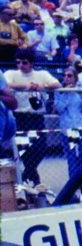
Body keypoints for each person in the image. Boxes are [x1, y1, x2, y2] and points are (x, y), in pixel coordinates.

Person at [3, 49, 59, 184]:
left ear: (32, 63)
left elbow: (57, 84)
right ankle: (30, 178)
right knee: (21, 147)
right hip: (20, 115)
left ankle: (28, 173)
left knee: (40, 147)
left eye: (24, 62)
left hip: (36, 116)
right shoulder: (12, 73)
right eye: (18, 62)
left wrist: (42, 86)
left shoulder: (42, 74)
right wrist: (25, 86)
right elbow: (5, 84)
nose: (20, 65)